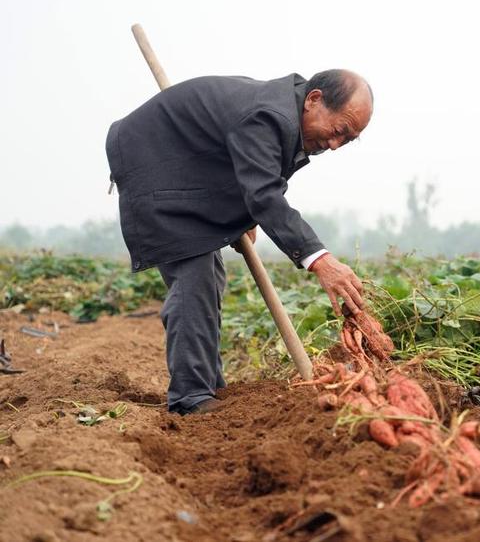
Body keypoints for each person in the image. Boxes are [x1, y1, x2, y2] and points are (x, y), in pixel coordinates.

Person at [105, 69, 372, 414]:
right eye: (338, 131)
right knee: (194, 278)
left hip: (187, 169)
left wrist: (242, 213)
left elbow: (252, 174)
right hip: (155, 166)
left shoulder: (282, 111)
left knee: (210, 277)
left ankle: (209, 384)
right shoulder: (268, 115)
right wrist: (318, 259)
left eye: (347, 140)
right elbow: (264, 193)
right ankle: (191, 397)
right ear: (314, 99)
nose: (335, 145)